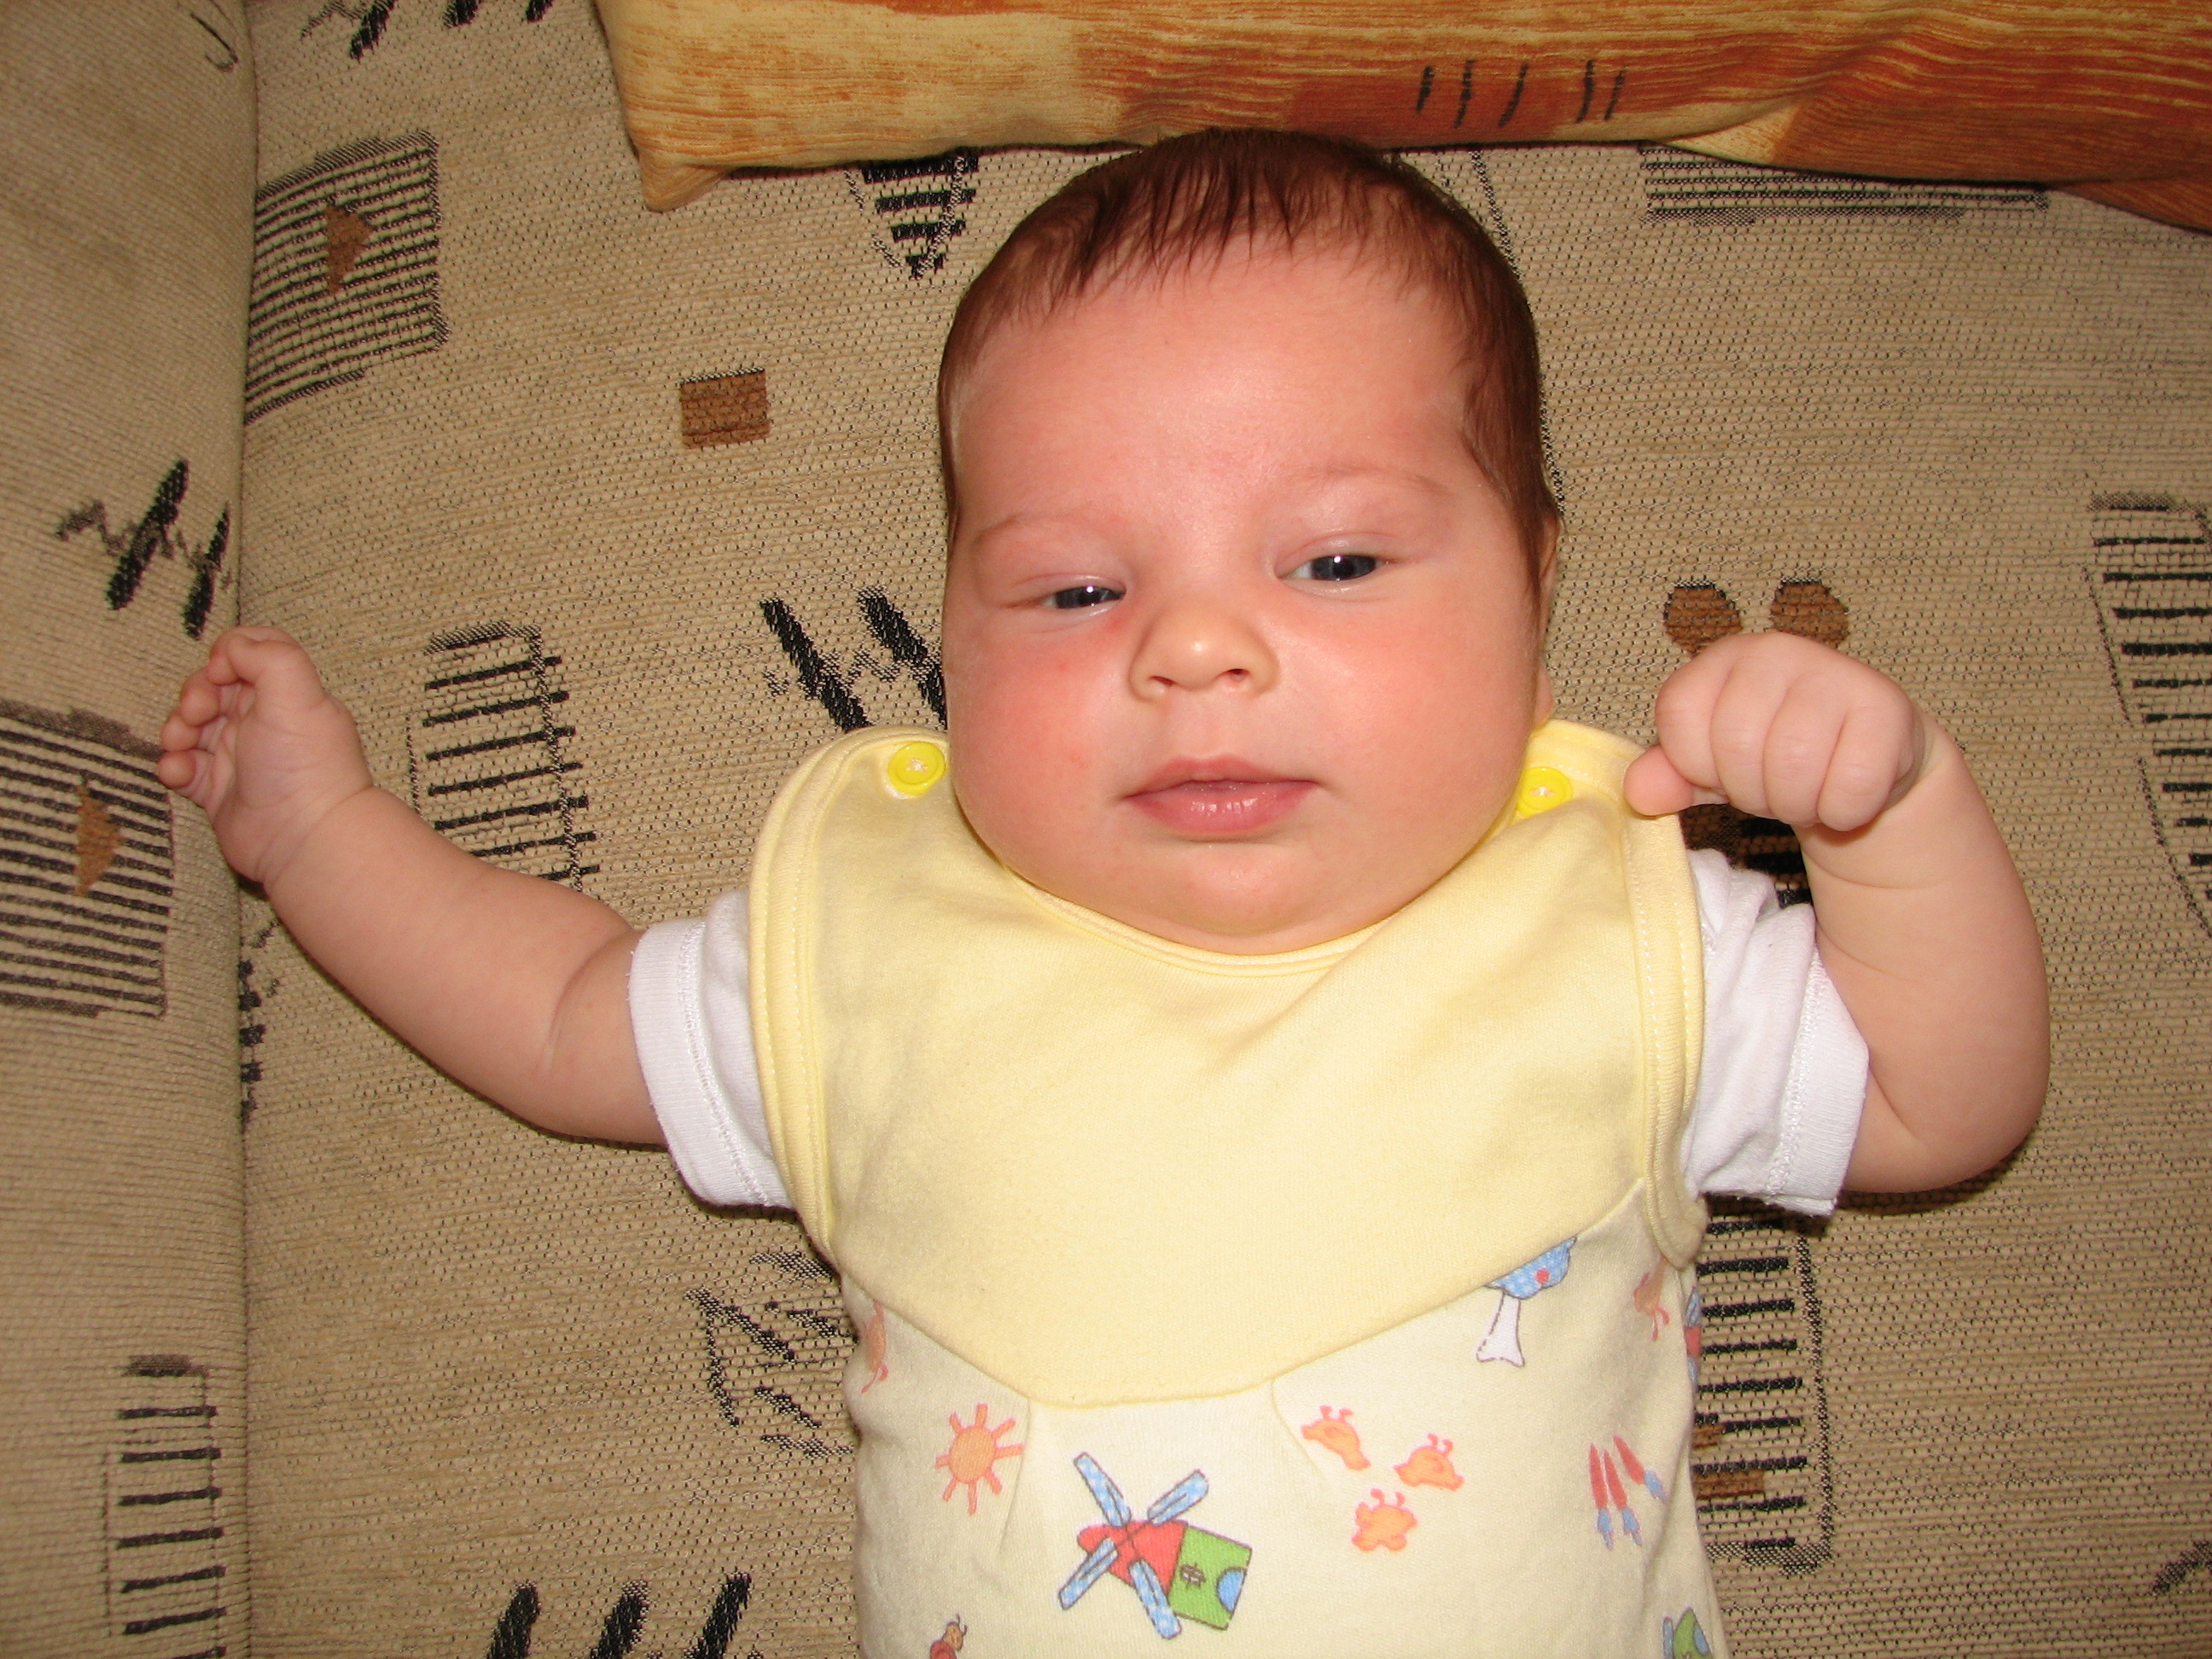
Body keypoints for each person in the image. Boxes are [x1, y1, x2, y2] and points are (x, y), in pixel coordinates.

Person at [160, 131, 2046, 1656]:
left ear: (1535, 589)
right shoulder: (880, 945)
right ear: (951, 643)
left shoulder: (1609, 924)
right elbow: (566, 1014)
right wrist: (324, 837)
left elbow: (1938, 1100)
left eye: (1334, 559)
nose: (1195, 648)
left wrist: (1893, 816)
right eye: (1076, 590)